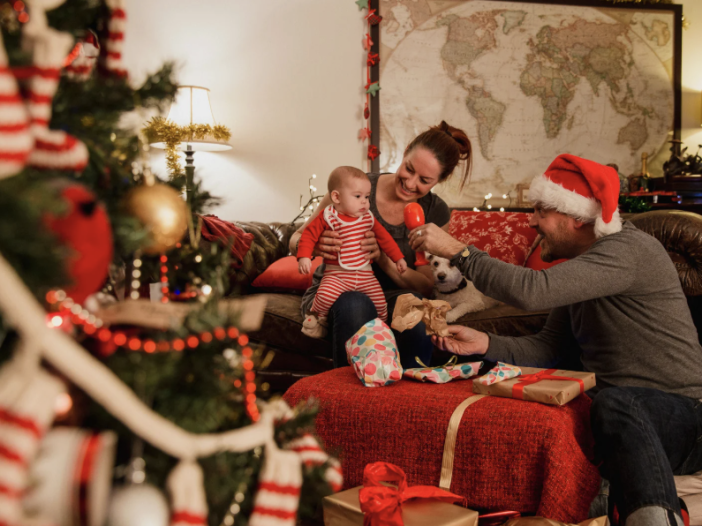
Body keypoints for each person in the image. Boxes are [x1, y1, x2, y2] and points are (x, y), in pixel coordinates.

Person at [409, 153, 702, 526]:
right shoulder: (583, 267)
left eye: (540, 211)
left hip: (685, 417)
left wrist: (459, 251)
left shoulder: (628, 250)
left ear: (575, 217)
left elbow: (531, 290)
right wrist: (484, 344)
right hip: (614, 420)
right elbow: (551, 349)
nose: (531, 221)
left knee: (616, 402)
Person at [289, 121, 472, 369]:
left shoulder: (434, 211)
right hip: (335, 291)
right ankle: (348, 400)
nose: (410, 183)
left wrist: (384, 259)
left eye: (424, 180)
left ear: (439, 181)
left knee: (415, 309)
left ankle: (409, 398)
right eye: (409, 169)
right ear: (405, 151)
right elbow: (295, 241)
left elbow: (427, 286)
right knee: (356, 304)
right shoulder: (356, 187)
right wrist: (316, 247)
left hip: (388, 297)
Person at [297, 167, 407, 338]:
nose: (364, 202)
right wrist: (304, 256)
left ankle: (383, 330)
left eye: (366, 197)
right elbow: (308, 235)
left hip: (366, 277)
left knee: (380, 302)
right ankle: (318, 320)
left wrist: (398, 258)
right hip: (337, 276)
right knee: (325, 296)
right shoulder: (328, 217)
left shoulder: (368, 218)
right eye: (357, 196)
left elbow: (385, 239)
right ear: (336, 197)